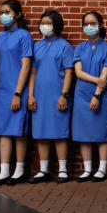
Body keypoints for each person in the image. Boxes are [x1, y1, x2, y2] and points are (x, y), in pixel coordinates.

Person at [28, 10, 74, 183]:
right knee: (41, 132)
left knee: (59, 131)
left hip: (57, 94)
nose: (44, 26)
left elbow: (69, 73)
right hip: (39, 95)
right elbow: (32, 73)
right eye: (43, 22)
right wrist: (30, 95)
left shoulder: (64, 46)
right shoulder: (36, 46)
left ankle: (63, 169)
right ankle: (44, 169)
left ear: (56, 25)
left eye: (48, 22)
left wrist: (64, 95)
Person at [0, 0, 33, 185]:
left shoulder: (24, 36)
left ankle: (19, 170)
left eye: (7, 11)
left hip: (17, 89)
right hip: (0, 90)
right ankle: (3, 171)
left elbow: (26, 66)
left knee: (18, 130)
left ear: (17, 14)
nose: (3, 15)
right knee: (3, 131)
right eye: (1, 12)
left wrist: (18, 93)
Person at [71, 11, 107, 181]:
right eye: (86, 23)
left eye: (93, 23)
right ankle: (87, 169)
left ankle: (102, 168)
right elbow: (78, 72)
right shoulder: (79, 48)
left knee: (101, 131)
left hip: (101, 95)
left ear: (101, 25)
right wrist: (98, 81)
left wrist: (97, 94)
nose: (89, 27)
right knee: (83, 132)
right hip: (82, 94)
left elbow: (106, 74)